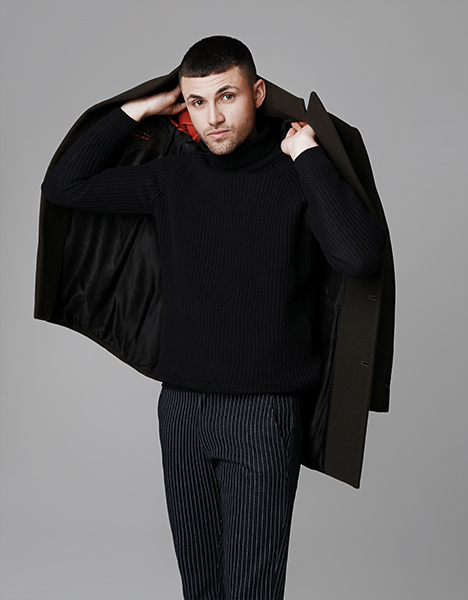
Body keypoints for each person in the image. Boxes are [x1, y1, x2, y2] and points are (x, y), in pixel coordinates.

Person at [40, 36, 386, 600]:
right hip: (182, 409)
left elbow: (359, 257)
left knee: (251, 591)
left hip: (263, 414)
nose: (214, 118)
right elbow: (63, 186)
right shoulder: (171, 179)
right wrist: (138, 108)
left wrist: (308, 156)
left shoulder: (296, 174)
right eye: (198, 102)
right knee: (200, 590)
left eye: (227, 96)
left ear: (258, 93)